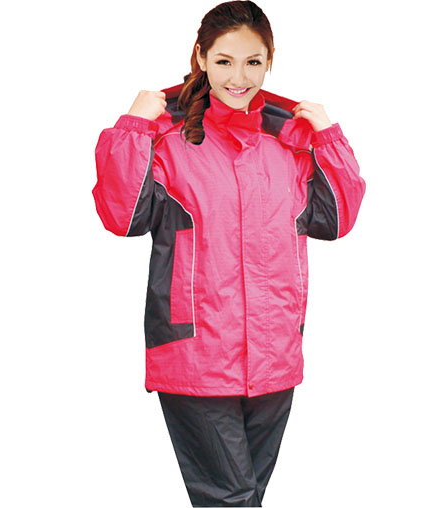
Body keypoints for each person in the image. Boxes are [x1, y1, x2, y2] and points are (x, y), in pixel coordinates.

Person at [92, 1, 366, 506]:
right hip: (195, 353)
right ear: (201, 58)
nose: (239, 77)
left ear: (269, 61)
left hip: (275, 354)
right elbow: (123, 217)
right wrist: (132, 127)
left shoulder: (289, 143)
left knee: (245, 498)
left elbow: (336, 219)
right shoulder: (167, 138)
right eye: (224, 61)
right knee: (230, 499)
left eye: (252, 62)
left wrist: (328, 136)